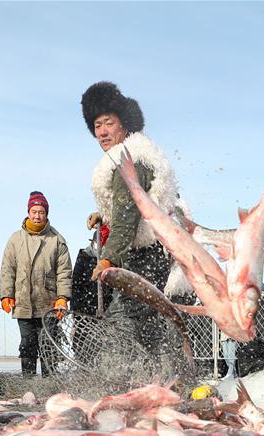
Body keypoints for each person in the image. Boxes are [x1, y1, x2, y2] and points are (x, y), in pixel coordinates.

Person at [80, 81, 180, 354]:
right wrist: (104, 214)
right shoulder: (138, 154)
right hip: (157, 251)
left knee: (121, 321)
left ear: (124, 124)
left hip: (147, 255)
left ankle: (126, 384)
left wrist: (108, 258)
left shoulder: (129, 160)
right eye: (97, 125)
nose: (102, 132)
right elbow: (140, 202)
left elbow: (128, 215)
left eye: (108, 123)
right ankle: (161, 380)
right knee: (145, 322)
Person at [0, 191, 72, 377]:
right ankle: (28, 382)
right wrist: (6, 294)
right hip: (23, 302)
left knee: (48, 345)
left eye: (41, 212)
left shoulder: (57, 240)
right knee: (27, 344)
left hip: (49, 303)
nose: (37, 215)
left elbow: (64, 272)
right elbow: (8, 268)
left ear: (46, 214)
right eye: (34, 211)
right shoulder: (15, 239)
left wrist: (62, 298)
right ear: (28, 212)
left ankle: (50, 383)